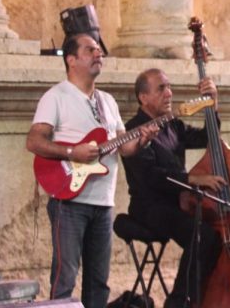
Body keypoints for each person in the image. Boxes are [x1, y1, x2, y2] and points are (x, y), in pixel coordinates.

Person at [26, 34, 156, 308]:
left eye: (99, 50)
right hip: (69, 201)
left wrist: (142, 140)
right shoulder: (56, 96)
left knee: (99, 282)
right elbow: (34, 142)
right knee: (65, 278)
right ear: (71, 60)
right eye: (90, 50)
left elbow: (124, 147)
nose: (99, 54)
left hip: (103, 203)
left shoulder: (107, 101)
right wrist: (72, 153)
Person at [122, 68, 226, 308]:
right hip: (149, 207)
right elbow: (151, 177)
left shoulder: (173, 124)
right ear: (143, 97)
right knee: (201, 236)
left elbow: (206, 138)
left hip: (176, 204)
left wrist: (213, 105)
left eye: (169, 87)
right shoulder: (133, 130)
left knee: (214, 233)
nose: (169, 93)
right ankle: (179, 304)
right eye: (161, 88)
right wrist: (193, 179)